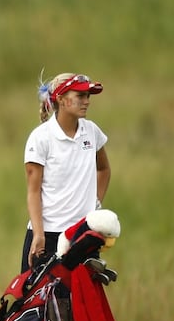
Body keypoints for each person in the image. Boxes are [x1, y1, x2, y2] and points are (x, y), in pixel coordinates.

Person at [21, 72, 110, 272]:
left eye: (88, 96)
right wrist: (39, 234)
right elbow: (33, 192)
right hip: (48, 235)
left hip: (83, 235)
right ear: (61, 99)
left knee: (82, 302)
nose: (86, 101)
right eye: (80, 96)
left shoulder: (92, 132)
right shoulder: (41, 138)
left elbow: (103, 169)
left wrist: (95, 204)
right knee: (38, 301)